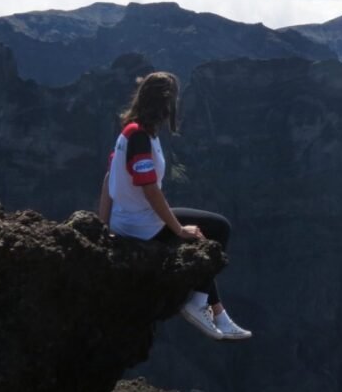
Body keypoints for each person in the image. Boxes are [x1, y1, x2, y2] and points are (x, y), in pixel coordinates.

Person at [99, 71, 251, 341]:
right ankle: (198, 304)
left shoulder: (131, 132)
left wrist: (103, 225)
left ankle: (218, 311)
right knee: (218, 228)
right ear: (165, 103)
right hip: (142, 226)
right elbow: (149, 189)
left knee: (206, 231)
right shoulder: (140, 138)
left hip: (129, 220)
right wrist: (178, 229)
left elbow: (110, 177)